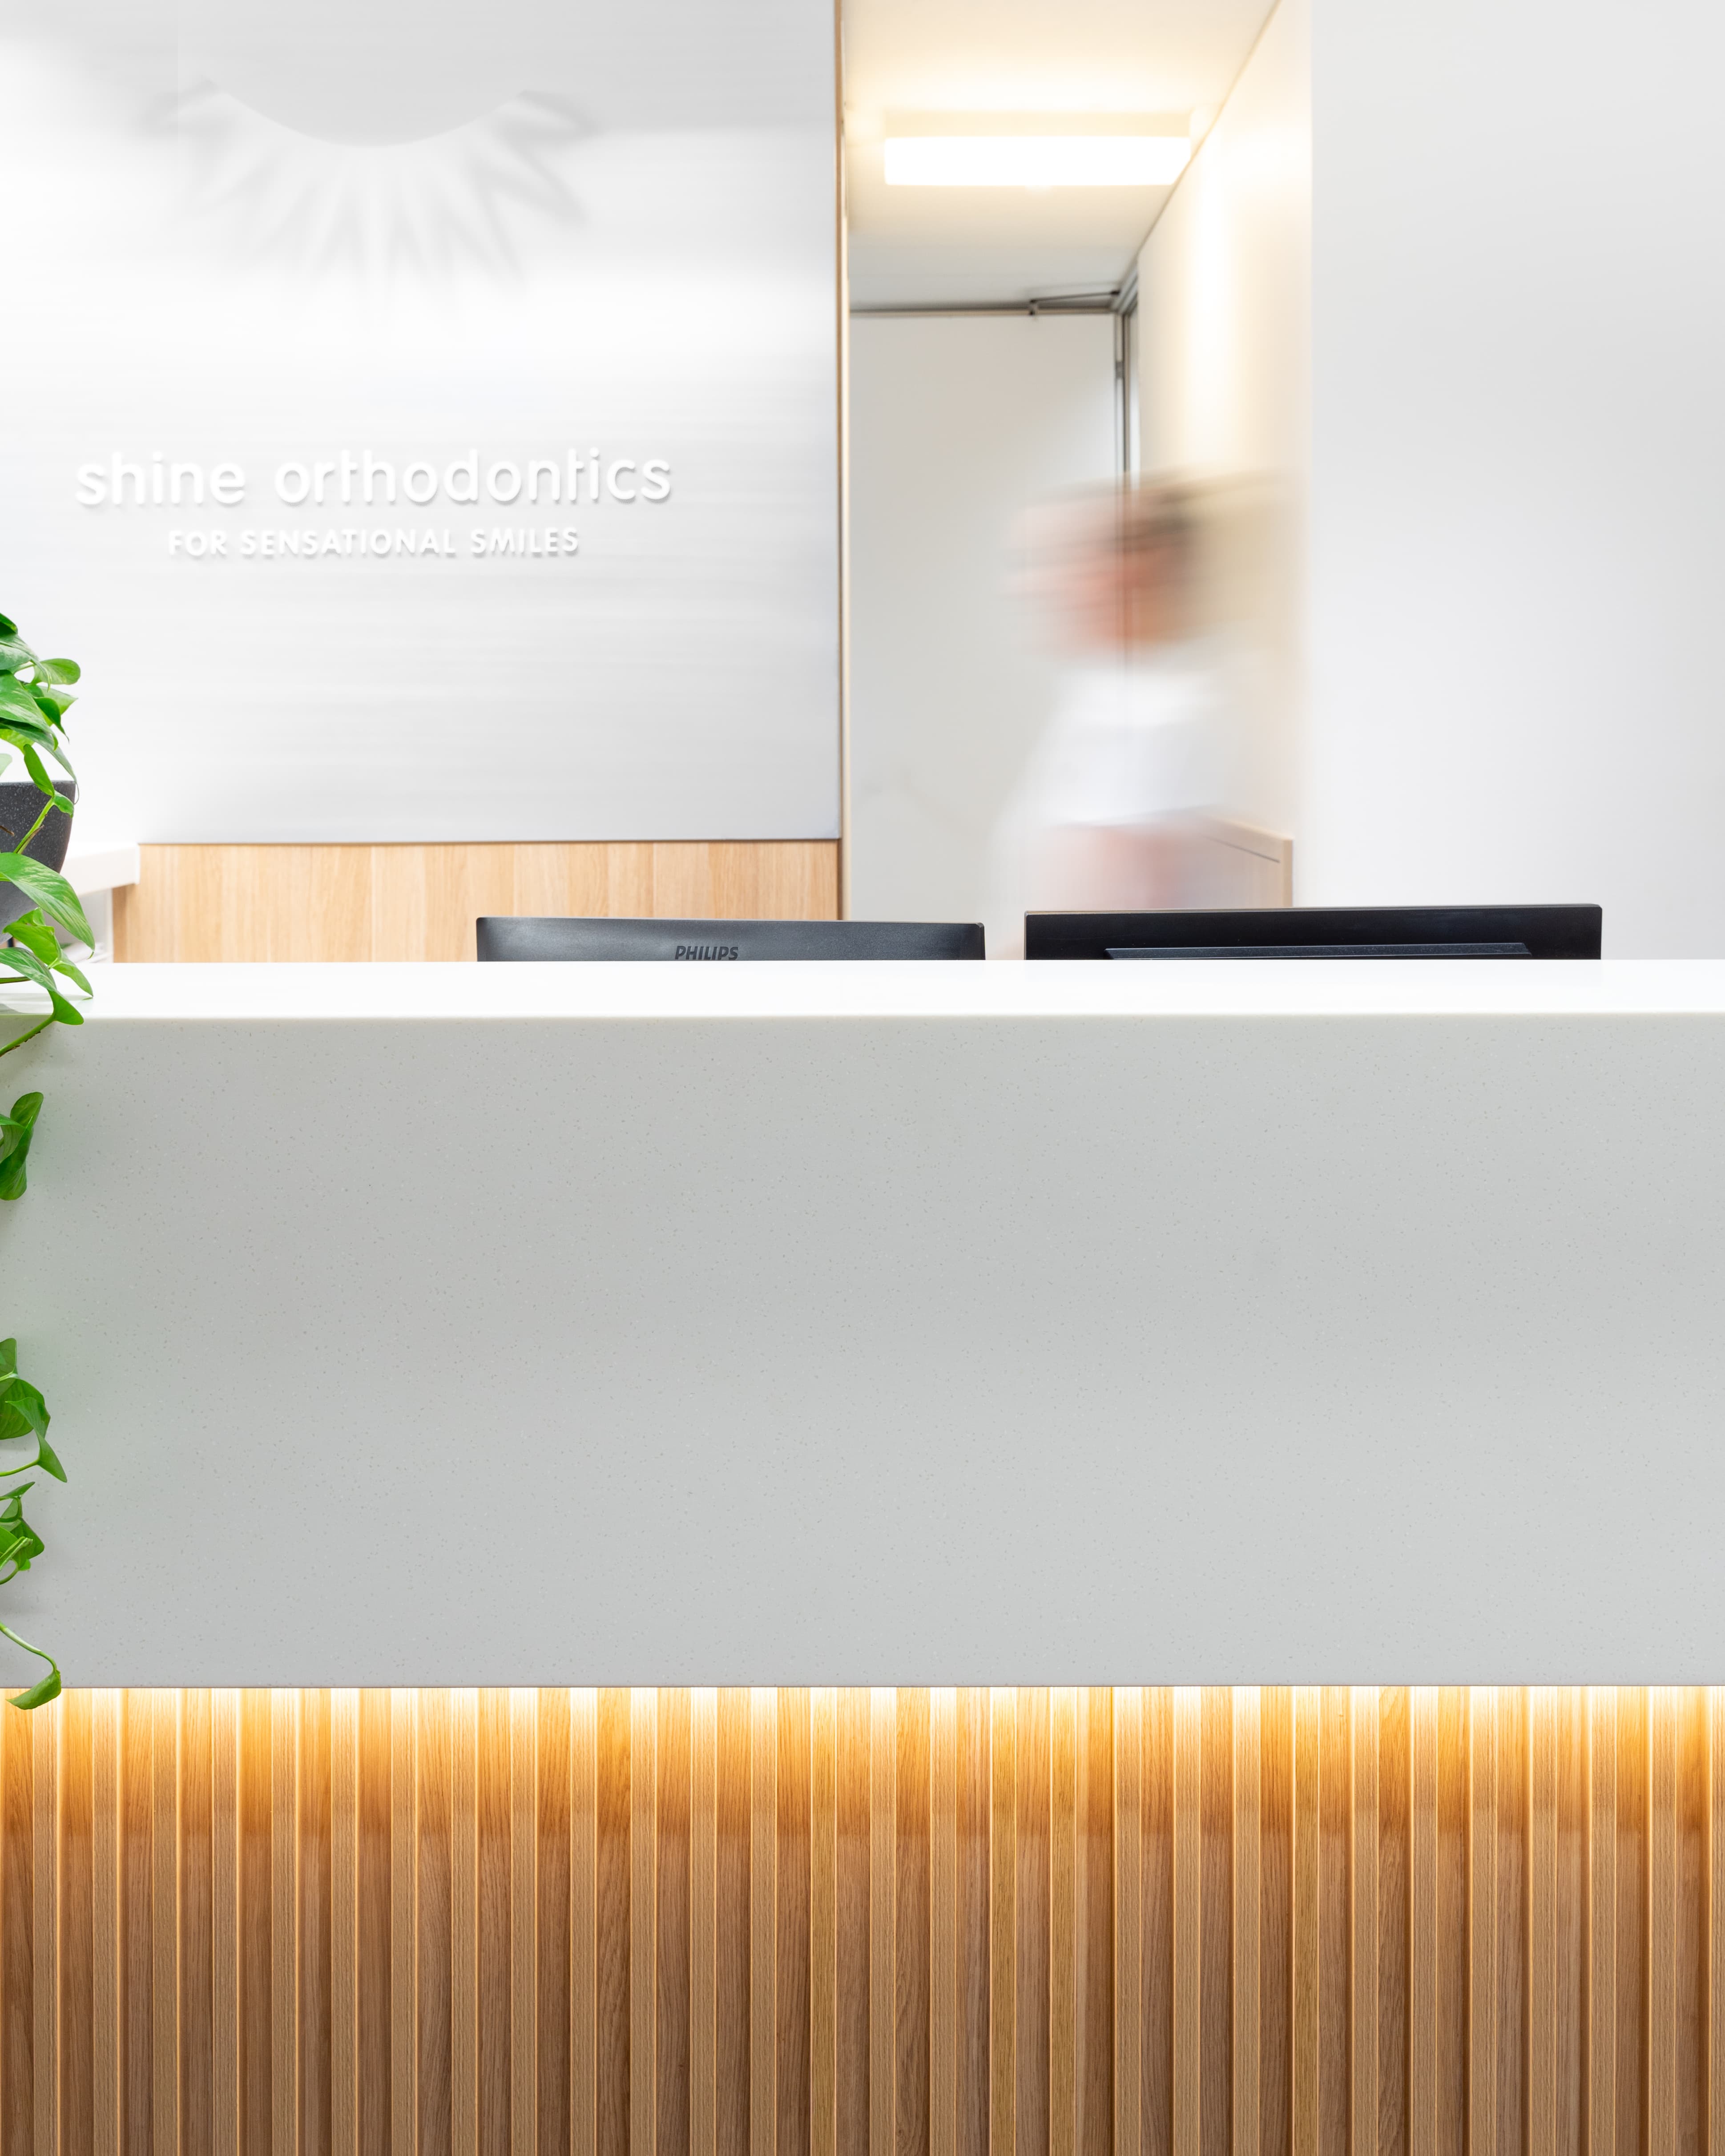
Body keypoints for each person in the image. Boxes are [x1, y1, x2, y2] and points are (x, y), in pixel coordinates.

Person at [990, 480, 1247, 954]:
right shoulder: (1111, 695)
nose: (1025, 586)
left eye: (1051, 560)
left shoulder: (1149, 718)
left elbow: (1080, 934)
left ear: (1128, 570)